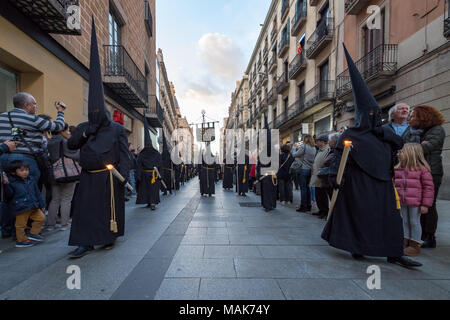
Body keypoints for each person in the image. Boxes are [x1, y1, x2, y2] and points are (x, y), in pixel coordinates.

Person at [322, 44, 422, 268]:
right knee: (361, 217)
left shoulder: (384, 132)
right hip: (358, 185)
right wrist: (336, 178)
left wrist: (388, 138)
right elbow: (339, 158)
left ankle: (395, 253)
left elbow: (398, 145)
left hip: (384, 184)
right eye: (369, 113)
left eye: (376, 113)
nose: (373, 116)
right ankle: (358, 247)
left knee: (391, 219)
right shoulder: (350, 134)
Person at [67, 19, 130, 259]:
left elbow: (124, 153)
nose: (94, 117)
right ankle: (84, 243)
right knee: (85, 211)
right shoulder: (85, 126)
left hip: (109, 177)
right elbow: (72, 144)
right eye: (91, 114)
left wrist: (122, 177)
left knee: (106, 211)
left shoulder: (116, 129)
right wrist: (85, 133)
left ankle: (107, 237)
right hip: (88, 177)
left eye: (97, 114)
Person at [403, 105, 445, 248]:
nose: (410, 118)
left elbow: (428, 147)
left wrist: (416, 147)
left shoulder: (437, 130)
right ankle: (418, 234)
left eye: (413, 115)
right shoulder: (411, 130)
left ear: (423, 116)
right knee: (415, 203)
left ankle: (429, 236)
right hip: (413, 171)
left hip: (431, 171)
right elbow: (404, 146)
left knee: (428, 203)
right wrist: (418, 146)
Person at [0, 93, 66, 183]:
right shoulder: (33, 119)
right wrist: (60, 111)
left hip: (3, 159)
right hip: (25, 161)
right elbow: (58, 126)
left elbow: (15, 134)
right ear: (26, 105)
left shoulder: (2, 117)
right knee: (29, 190)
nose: (36, 106)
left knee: (9, 190)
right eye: (34, 104)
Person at [394, 143, 434, 257]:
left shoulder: (422, 170)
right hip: (401, 201)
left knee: (414, 222)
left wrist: (425, 204)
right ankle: (404, 242)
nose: (398, 154)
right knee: (404, 221)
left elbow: (428, 188)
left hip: (415, 203)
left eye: (401, 152)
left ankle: (414, 245)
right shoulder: (397, 169)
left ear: (411, 154)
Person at [3, 160, 45, 248]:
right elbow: (9, 195)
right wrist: (6, 184)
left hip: (33, 205)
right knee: (20, 225)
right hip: (20, 207)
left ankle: (33, 233)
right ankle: (21, 240)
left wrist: (42, 204)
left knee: (41, 218)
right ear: (14, 172)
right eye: (22, 170)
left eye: (26, 170)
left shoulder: (30, 179)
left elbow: (37, 192)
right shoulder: (11, 182)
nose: (25, 172)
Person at [46, 123, 80, 231]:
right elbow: (75, 155)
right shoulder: (65, 142)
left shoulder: (49, 142)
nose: (68, 133)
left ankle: (50, 224)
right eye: (67, 130)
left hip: (53, 172)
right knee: (66, 198)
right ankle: (64, 223)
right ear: (61, 131)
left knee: (55, 198)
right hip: (67, 172)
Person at [136, 118, 162, 211]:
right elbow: (139, 164)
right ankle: (149, 202)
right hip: (149, 174)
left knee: (151, 189)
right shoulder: (155, 153)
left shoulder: (143, 153)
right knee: (148, 189)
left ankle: (152, 202)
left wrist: (139, 175)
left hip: (150, 175)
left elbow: (138, 165)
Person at [291, 135, 316, 213]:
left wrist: (294, 149)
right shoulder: (314, 148)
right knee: (308, 188)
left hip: (303, 169)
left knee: (303, 188)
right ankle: (309, 205)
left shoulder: (304, 146)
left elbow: (294, 154)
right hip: (310, 169)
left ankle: (303, 206)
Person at [310, 134, 332, 219]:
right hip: (317, 174)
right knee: (318, 194)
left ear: (322, 142)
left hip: (322, 176)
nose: (316, 142)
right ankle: (321, 210)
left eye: (318, 141)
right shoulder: (319, 150)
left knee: (322, 194)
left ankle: (325, 211)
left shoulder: (327, 150)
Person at [258, 117, 277, 212]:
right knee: (270, 190)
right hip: (267, 173)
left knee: (268, 190)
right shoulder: (269, 149)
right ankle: (270, 204)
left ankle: (268, 205)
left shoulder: (268, 149)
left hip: (267, 174)